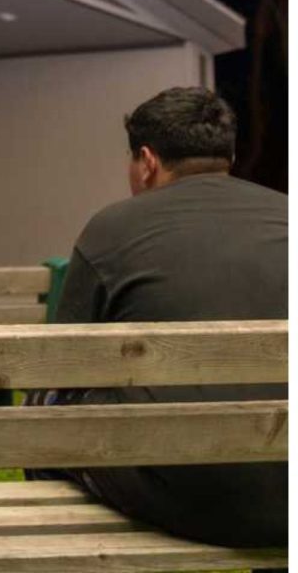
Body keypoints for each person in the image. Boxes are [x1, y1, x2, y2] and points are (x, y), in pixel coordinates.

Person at [25, 86, 286, 547]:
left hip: (192, 497)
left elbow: (62, 366)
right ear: (228, 154)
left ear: (146, 160)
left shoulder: (112, 227)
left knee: (41, 407)